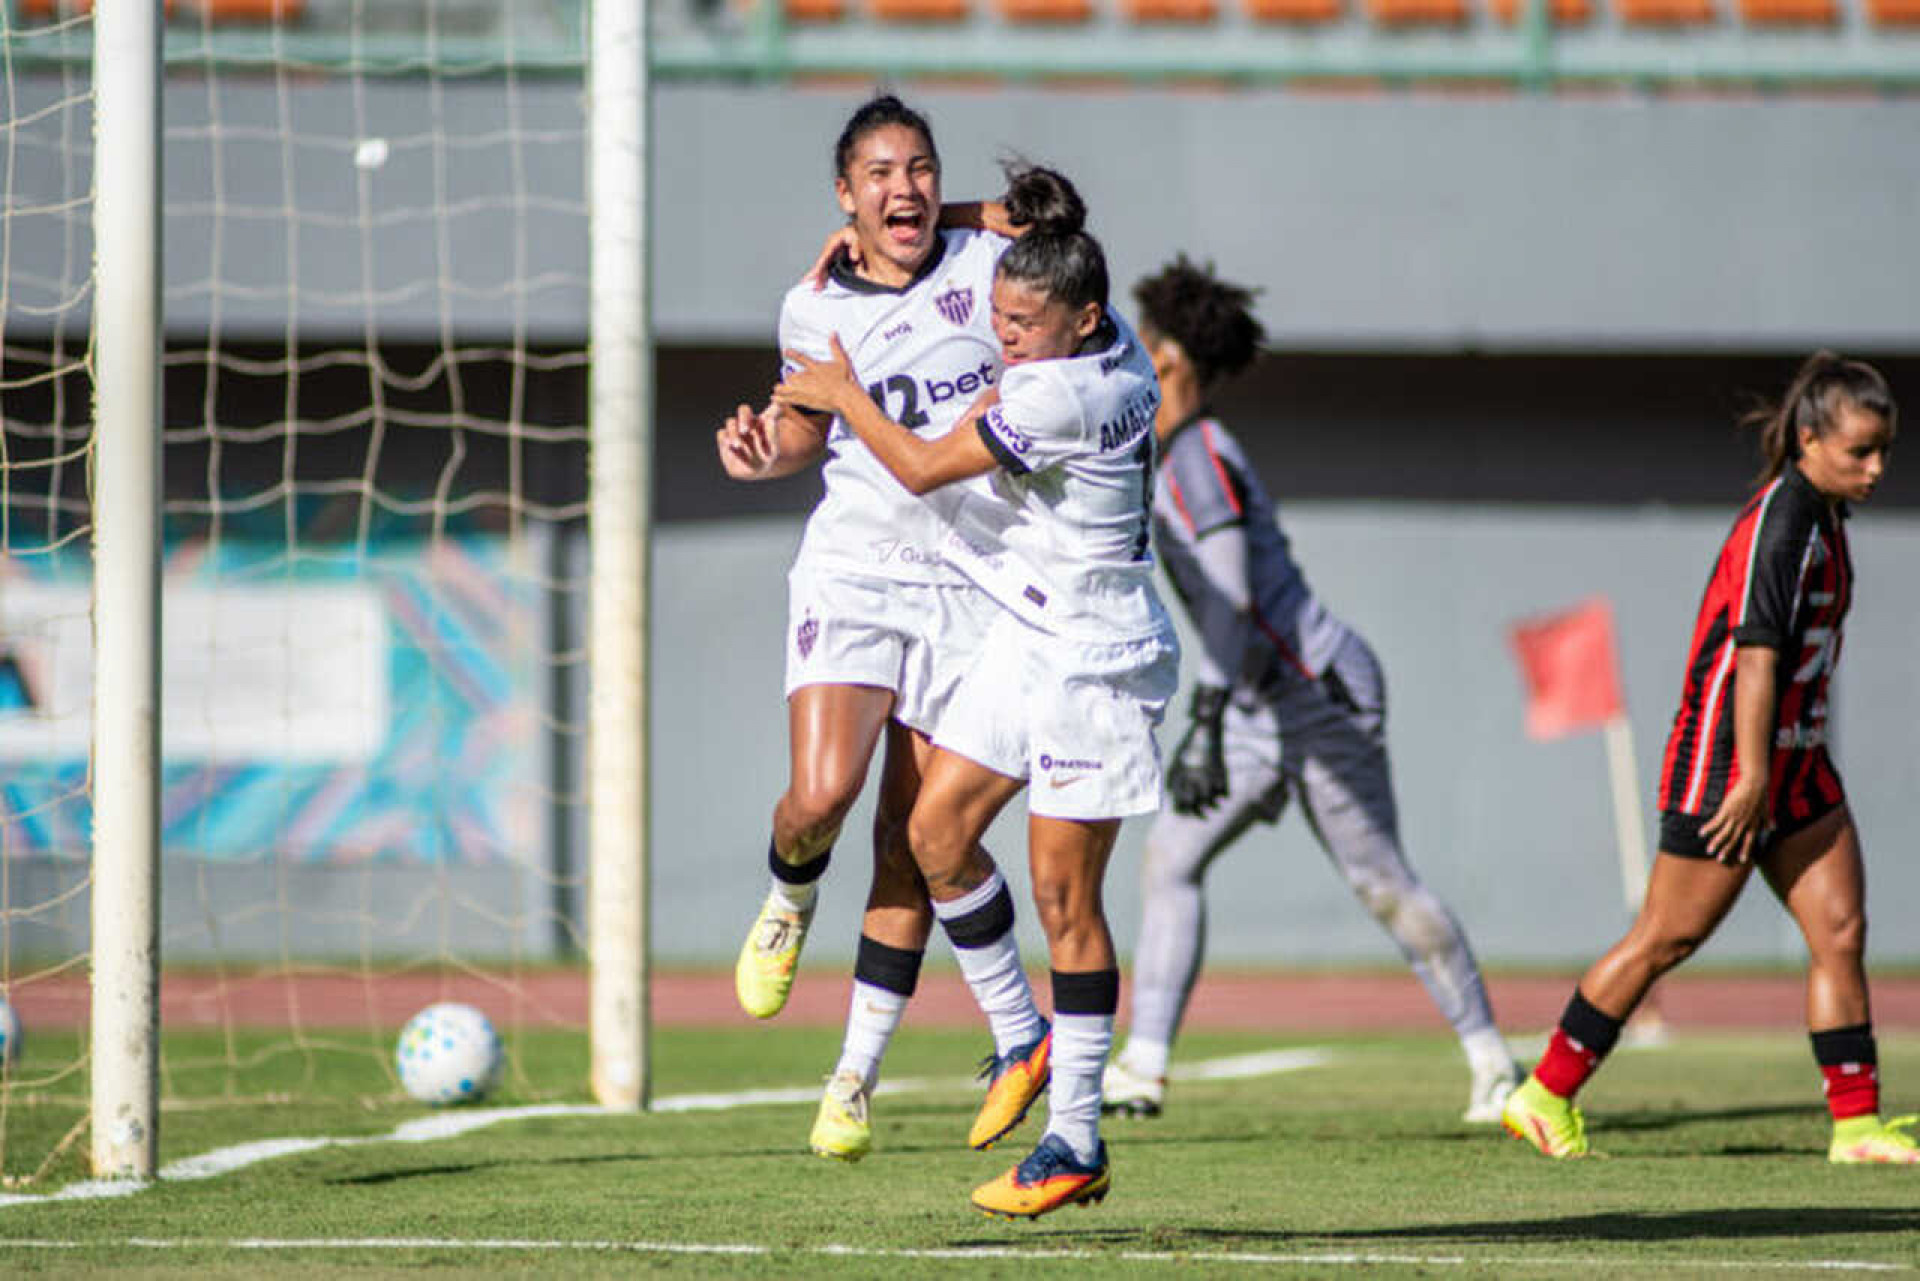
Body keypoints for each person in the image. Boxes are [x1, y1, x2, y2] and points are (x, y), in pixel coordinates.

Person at [775, 167, 1178, 1219]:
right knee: (936, 833)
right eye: (996, 316)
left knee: (1064, 900)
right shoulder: (1111, 333)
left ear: (1080, 319)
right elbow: (1029, 235)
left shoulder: (1061, 391)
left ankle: (1078, 1138)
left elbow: (913, 468)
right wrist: (892, 227)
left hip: (1097, 653)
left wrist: (844, 393)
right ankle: (1022, 1038)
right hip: (1028, 630)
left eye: (1023, 323)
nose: (1004, 339)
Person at [1099, 257, 1521, 1124]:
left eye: (1143, 342)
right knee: (1170, 858)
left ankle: (1495, 1064)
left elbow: (1234, 593)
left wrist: (1205, 717)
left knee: (1383, 884)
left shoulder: (1201, 456)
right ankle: (1143, 1065)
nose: (1130, 355)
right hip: (1255, 704)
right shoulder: (1167, 453)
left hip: (1315, 693)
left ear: (1170, 357)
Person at [718, 95, 1049, 1163]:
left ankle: (852, 1078)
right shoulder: (811, 307)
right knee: (820, 795)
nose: (902, 187)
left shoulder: (983, 257)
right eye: (879, 174)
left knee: (910, 844)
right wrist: (761, 451)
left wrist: (950, 216)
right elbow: (802, 435)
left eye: (918, 168)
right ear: (842, 192)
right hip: (858, 565)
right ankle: (787, 890)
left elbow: (1058, 209)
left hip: (970, 583)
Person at [1502, 352, 1912, 1163]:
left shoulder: (1826, 516)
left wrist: (1788, 765)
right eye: (1861, 449)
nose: (1876, 467)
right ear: (1808, 439)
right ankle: (1543, 1092)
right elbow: (1754, 653)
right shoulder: (1784, 518)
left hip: (1797, 760)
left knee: (1840, 930)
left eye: (1884, 450)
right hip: (1728, 763)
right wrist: (1753, 777)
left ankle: (1857, 1124)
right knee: (1665, 937)